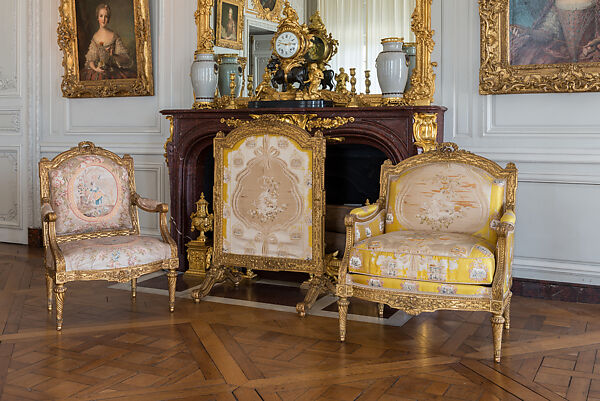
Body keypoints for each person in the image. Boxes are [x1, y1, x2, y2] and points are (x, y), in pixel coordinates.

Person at [510, 0, 600, 65]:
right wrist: (528, 31)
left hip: (592, 52)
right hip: (564, 54)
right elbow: (548, 34)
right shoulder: (556, 2)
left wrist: (596, 42)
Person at [83, 4, 135, 80]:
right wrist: (95, 69)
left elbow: (125, 59)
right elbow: (91, 59)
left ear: (109, 18)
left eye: (106, 16)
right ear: (97, 17)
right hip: (98, 71)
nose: (103, 19)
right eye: (101, 16)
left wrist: (114, 55)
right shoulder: (95, 37)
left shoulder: (114, 36)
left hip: (112, 71)